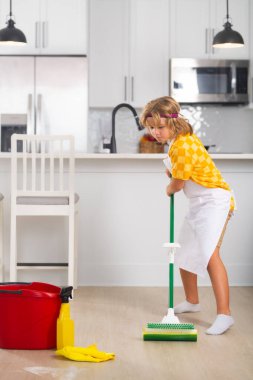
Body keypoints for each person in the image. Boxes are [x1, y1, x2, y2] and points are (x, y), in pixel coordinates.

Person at [140, 96, 235, 335]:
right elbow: (176, 171)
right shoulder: (177, 142)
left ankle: (225, 314)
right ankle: (193, 301)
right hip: (199, 203)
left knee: (209, 253)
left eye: (160, 127)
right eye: (152, 127)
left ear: (174, 122)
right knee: (183, 251)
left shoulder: (182, 145)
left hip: (215, 201)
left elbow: (178, 184)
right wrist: (171, 173)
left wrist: (169, 186)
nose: (156, 132)